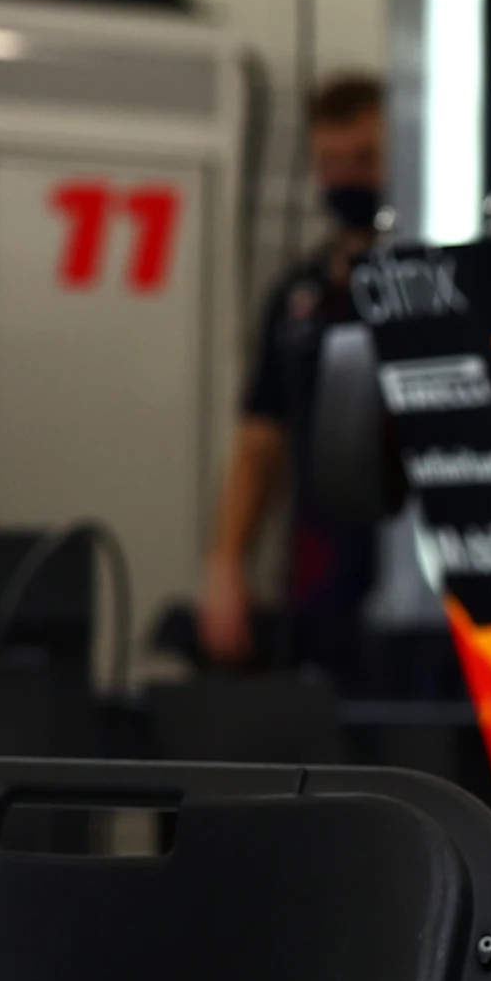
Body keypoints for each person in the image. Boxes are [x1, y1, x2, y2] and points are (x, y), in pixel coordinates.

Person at [199, 73, 389, 678]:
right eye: (329, 162)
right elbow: (260, 440)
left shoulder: (430, 283)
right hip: (319, 576)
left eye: (365, 158)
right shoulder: (298, 294)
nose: (345, 177)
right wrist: (227, 564)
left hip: (411, 578)